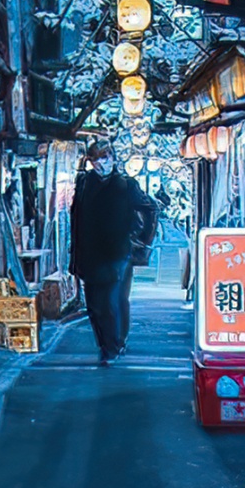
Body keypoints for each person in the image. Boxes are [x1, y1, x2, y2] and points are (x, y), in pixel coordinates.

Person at [70, 140, 157, 366]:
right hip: (89, 253)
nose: (101, 163)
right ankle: (105, 345)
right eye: (95, 159)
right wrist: (74, 257)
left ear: (113, 158)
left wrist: (143, 240)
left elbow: (150, 209)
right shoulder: (84, 183)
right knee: (93, 305)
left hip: (117, 252)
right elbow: (76, 218)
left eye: (105, 157)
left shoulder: (126, 185)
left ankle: (113, 346)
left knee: (111, 301)